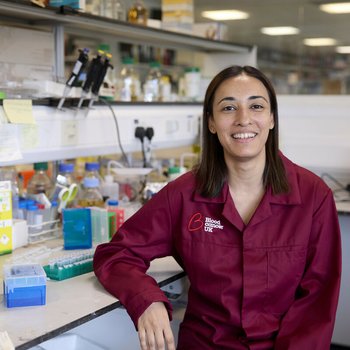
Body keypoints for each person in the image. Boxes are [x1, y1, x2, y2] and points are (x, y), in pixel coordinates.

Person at [93, 65, 341, 349]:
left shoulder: (313, 197)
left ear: (271, 118)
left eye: (256, 106)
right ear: (211, 122)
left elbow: (317, 302)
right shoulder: (184, 195)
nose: (243, 120)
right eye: (228, 108)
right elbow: (116, 254)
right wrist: (146, 299)